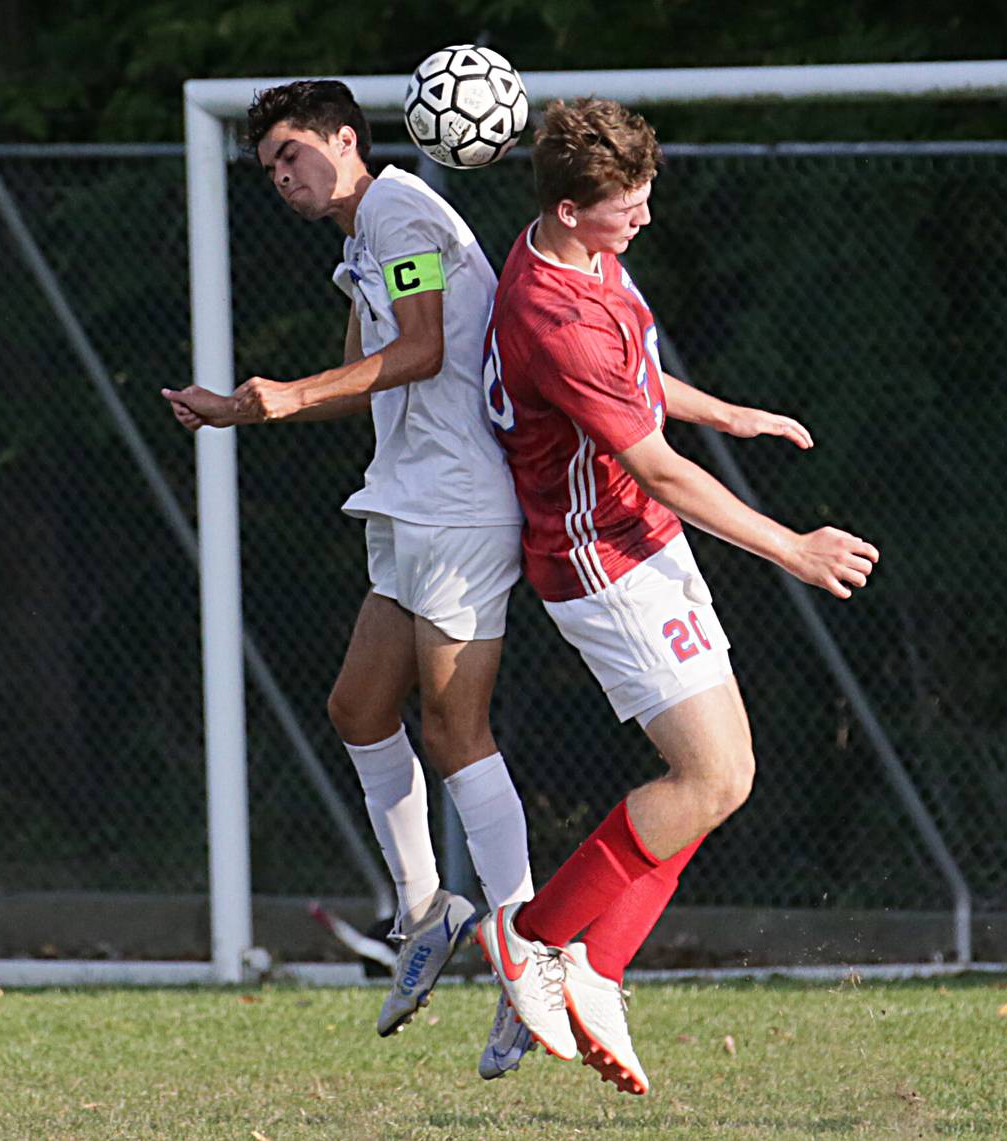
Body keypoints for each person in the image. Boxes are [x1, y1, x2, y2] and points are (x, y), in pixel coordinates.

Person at [473, 97, 881, 1095]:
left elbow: (638, 376)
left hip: (639, 545)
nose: (644, 219)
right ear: (571, 209)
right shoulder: (551, 313)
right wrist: (790, 546)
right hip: (600, 559)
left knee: (725, 776)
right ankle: (533, 944)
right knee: (704, 778)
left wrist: (727, 410)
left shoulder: (581, 256)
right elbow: (652, 465)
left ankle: (591, 967)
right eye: (627, 205)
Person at [161, 80, 535, 1078]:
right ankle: (426, 909)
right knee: (360, 705)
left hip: (459, 501)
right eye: (270, 166)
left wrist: (287, 394)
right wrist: (249, 408)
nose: (284, 176)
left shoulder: (404, 207)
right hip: (406, 498)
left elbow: (419, 349)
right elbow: (362, 371)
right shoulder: (363, 238)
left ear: (344, 137)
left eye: (295, 152)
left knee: (459, 731)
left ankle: (529, 966)